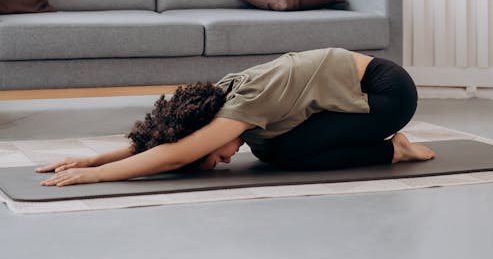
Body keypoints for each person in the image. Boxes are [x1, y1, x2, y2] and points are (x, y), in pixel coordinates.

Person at [36, 47, 435, 187]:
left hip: (387, 94)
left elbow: (174, 154)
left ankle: (395, 150)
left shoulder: (242, 106)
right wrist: (93, 157)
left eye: (209, 157)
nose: (219, 161)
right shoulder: (216, 101)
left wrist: (98, 176)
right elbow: (167, 142)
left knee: (286, 152)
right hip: (358, 92)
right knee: (271, 149)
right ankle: (389, 148)